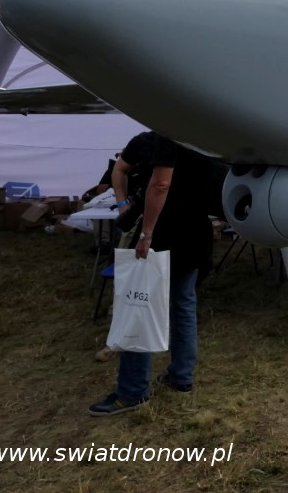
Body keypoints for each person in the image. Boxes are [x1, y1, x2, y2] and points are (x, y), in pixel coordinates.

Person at [88, 131, 215, 416]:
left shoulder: (168, 133)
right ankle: (181, 377)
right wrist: (123, 204)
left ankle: (132, 392)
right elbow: (120, 169)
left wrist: (145, 234)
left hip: (164, 235)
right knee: (183, 306)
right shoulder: (206, 133)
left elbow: (161, 183)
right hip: (194, 233)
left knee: (139, 307)